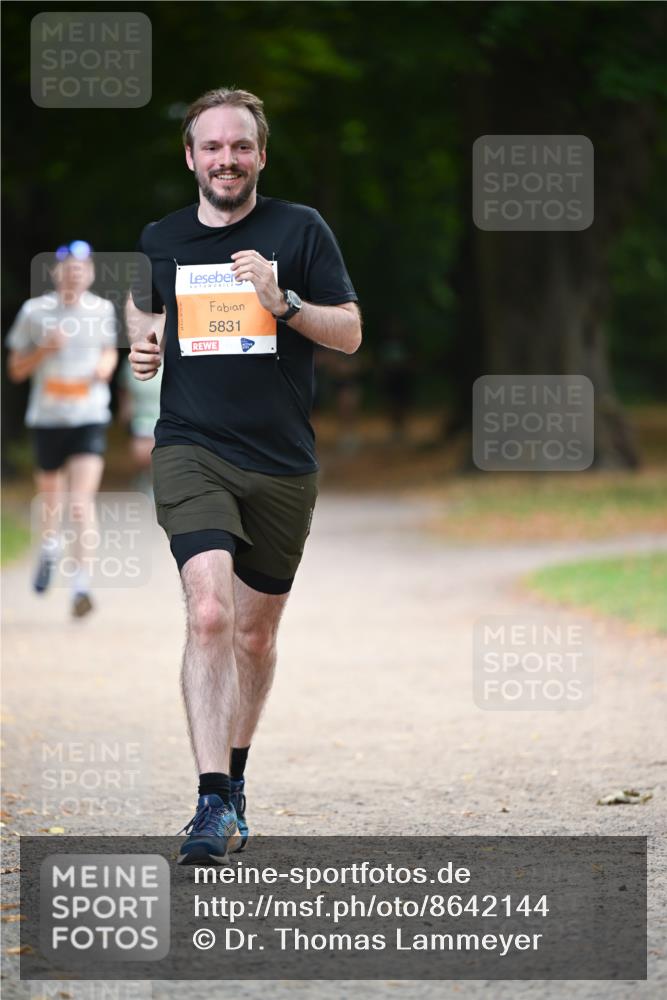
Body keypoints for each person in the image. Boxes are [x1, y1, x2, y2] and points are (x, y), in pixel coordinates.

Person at [127, 87, 361, 864]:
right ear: (189, 155)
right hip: (191, 446)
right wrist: (144, 347)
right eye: (211, 147)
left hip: (282, 462)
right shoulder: (159, 237)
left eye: (240, 147)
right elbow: (147, 314)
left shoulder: (300, 230)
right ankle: (209, 801)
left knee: (255, 638)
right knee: (208, 614)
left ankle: (235, 783)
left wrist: (283, 300)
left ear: (259, 154)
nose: (226, 159)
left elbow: (351, 333)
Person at [6, 242, 118, 617]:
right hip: (47, 418)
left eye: (80, 270)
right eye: (67, 270)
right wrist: (44, 351)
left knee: (80, 503)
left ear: (89, 275)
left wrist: (105, 365)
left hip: (88, 416)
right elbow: (16, 370)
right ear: (56, 275)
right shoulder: (34, 312)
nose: (74, 276)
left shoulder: (101, 310)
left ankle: (80, 587)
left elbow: (109, 349)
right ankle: (50, 547)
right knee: (52, 500)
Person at [117, 354, 163, 496]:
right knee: (142, 453)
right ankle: (145, 480)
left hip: (163, 416)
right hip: (141, 417)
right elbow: (124, 388)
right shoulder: (130, 361)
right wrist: (125, 410)